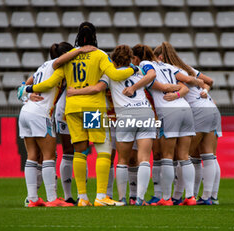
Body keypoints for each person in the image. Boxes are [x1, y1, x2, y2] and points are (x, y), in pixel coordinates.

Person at [18, 22, 138, 206]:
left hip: (72, 109)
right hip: (92, 108)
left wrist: (28, 88)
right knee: (103, 150)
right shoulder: (99, 55)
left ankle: (82, 197)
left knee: (79, 152)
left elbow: (50, 83)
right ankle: (100, 196)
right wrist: (133, 69)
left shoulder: (69, 58)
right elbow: (115, 75)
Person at [67, 45, 159, 206]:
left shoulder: (109, 75)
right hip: (145, 113)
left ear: (113, 60)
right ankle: (139, 199)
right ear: (130, 58)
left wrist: (74, 92)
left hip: (125, 116)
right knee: (143, 159)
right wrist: (135, 87)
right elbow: (152, 75)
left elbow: (97, 88)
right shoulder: (137, 70)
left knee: (122, 159)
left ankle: (122, 198)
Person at [20, 42, 95, 207]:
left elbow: (25, 84)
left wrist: (25, 93)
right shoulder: (56, 66)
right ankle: (53, 199)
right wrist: (81, 50)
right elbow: (60, 61)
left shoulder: (42, 66)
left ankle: (32, 199)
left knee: (32, 156)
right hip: (41, 113)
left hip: (25, 111)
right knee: (49, 156)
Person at [127, 44, 196, 206]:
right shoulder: (167, 65)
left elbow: (155, 83)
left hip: (168, 110)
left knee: (167, 156)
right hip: (185, 109)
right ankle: (191, 197)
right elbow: (187, 83)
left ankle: (165, 198)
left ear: (137, 58)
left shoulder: (144, 65)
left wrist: (165, 89)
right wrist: (178, 91)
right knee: (184, 156)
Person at [157, 42, 219, 205]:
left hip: (197, 111)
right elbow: (209, 81)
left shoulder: (172, 70)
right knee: (208, 155)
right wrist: (204, 91)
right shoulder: (187, 68)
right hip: (211, 108)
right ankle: (209, 197)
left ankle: (178, 195)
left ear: (161, 57)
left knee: (184, 156)